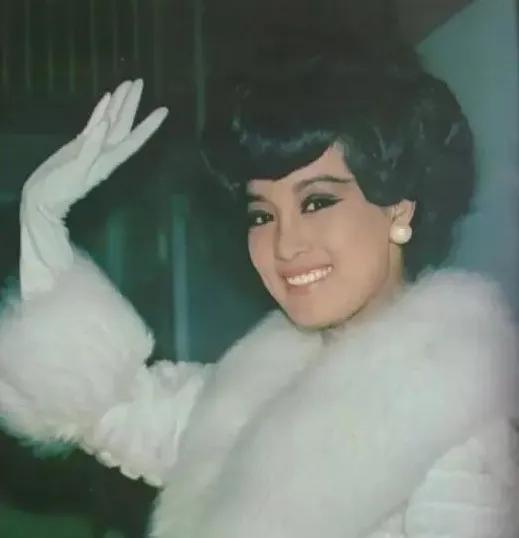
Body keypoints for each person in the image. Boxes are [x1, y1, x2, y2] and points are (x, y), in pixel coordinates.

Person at [0, 45, 518, 538]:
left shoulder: (455, 423)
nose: (285, 245)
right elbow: (115, 408)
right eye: (262, 215)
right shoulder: (260, 379)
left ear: (398, 208)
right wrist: (41, 223)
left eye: (317, 202)